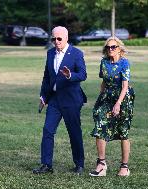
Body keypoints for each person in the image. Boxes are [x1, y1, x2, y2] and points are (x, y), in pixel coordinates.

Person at [33, 26, 87, 175]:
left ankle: (79, 164)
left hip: (71, 100)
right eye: (53, 39)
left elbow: (83, 74)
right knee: (48, 131)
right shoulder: (50, 53)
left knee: (74, 132)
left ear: (66, 38)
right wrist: (43, 96)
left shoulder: (76, 53)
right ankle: (46, 165)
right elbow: (47, 77)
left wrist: (71, 76)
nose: (56, 42)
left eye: (59, 39)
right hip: (55, 100)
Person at [89, 36, 135, 177]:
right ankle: (101, 165)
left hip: (123, 99)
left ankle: (124, 167)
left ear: (119, 49)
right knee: (99, 127)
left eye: (113, 47)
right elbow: (104, 82)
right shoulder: (104, 62)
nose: (110, 49)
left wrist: (118, 104)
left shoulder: (124, 63)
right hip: (106, 98)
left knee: (123, 132)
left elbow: (125, 86)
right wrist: (100, 98)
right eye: (108, 47)